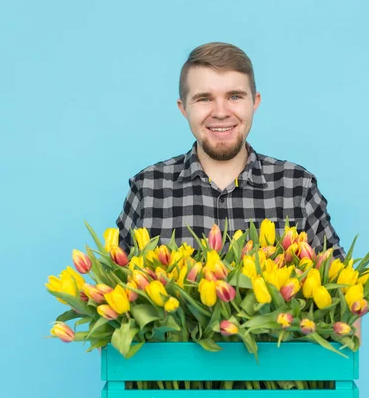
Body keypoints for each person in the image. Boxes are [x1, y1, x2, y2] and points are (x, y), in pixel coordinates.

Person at [115, 42, 345, 261]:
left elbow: (341, 289)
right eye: (204, 98)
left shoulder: (297, 186)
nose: (221, 112)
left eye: (234, 96)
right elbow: (116, 288)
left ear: (254, 103)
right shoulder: (147, 188)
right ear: (183, 108)